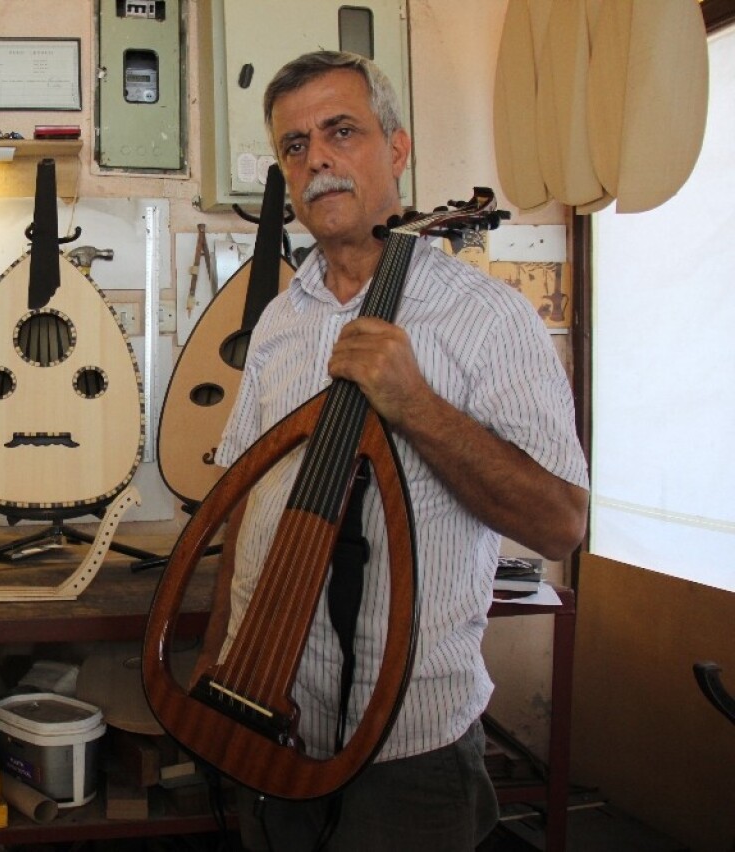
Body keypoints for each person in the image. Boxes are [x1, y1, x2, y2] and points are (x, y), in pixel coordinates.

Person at [210, 51, 590, 850]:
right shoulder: (281, 319)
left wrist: (415, 404)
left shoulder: (489, 318)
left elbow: (559, 524)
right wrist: (223, 670)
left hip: (409, 751)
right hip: (269, 715)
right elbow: (245, 502)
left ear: (398, 150)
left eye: (341, 131)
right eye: (295, 144)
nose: (317, 157)